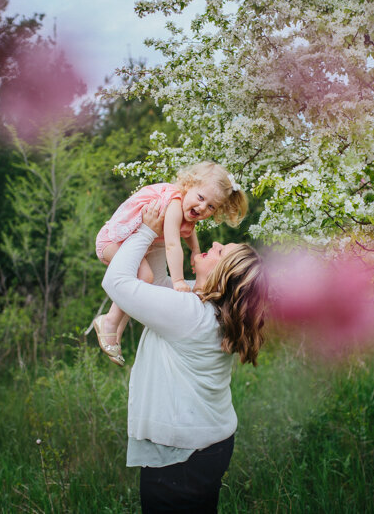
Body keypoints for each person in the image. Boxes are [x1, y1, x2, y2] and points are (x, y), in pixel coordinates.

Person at [101, 199, 268, 513]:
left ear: (223, 274)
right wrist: (163, 232)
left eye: (220, 251)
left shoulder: (189, 312)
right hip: (209, 442)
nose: (214, 242)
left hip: (181, 455)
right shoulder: (203, 303)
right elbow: (162, 284)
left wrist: (144, 232)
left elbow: (117, 282)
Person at [93, 162, 248, 366]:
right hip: (112, 241)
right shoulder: (175, 203)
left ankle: (116, 330)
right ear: (188, 185)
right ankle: (109, 322)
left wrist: (194, 251)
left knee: (146, 281)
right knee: (145, 278)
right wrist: (179, 280)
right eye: (200, 198)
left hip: (130, 244)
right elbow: (173, 244)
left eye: (211, 206)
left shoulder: (188, 211)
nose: (202, 207)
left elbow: (189, 231)